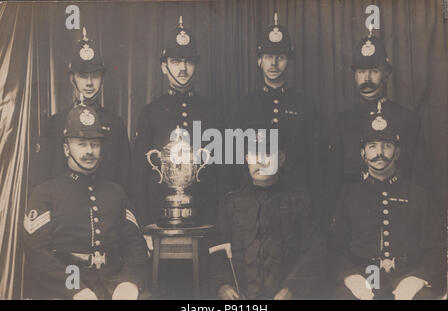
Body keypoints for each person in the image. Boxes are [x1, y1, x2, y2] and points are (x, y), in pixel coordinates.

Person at [23, 104, 149, 300]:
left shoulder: (116, 192)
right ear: (66, 148)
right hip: (65, 288)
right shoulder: (45, 193)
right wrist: (75, 290)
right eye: (81, 143)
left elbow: (136, 246)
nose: (89, 151)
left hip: (113, 282)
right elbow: (37, 254)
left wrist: (128, 282)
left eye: (95, 144)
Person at [331, 113, 446, 300]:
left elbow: (438, 248)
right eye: (372, 146)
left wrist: (418, 278)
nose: (379, 153)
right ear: (363, 153)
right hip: (366, 275)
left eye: (387, 145)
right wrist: (351, 277)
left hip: (407, 274)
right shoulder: (349, 195)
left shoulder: (420, 195)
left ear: (397, 153)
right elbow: (335, 249)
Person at [210, 124, 326, 300]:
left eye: (267, 155)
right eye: (254, 155)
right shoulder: (230, 202)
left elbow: (314, 251)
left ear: (281, 159)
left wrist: (293, 288)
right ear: (247, 158)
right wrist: (223, 285)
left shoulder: (301, 201)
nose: (261, 161)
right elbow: (215, 250)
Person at [327, 26, 432, 208]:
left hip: (399, 209)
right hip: (356, 212)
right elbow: (333, 180)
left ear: (387, 74)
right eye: (361, 72)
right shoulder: (342, 121)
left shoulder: (407, 120)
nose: (366, 79)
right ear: (354, 76)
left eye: (374, 71)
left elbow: (420, 178)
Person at [132, 16, 222, 227]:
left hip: (205, 221)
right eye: (175, 61)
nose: (183, 68)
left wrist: (220, 226)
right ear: (164, 66)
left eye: (189, 61)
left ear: (196, 66)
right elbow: (139, 177)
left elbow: (223, 174)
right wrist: (145, 226)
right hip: (160, 223)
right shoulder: (150, 113)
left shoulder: (213, 112)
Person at [233, 12, 324, 194]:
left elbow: (315, 159)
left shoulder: (305, 105)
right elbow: (236, 157)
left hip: (296, 196)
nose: (273, 63)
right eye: (268, 57)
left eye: (280, 57)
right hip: (254, 195)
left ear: (289, 61)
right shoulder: (245, 106)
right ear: (259, 61)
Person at [31, 27, 131, 191]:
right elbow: (41, 182)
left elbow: (126, 181)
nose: (89, 83)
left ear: (102, 79)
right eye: (83, 76)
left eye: (95, 76)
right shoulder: (55, 123)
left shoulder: (116, 124)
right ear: (72, 79)